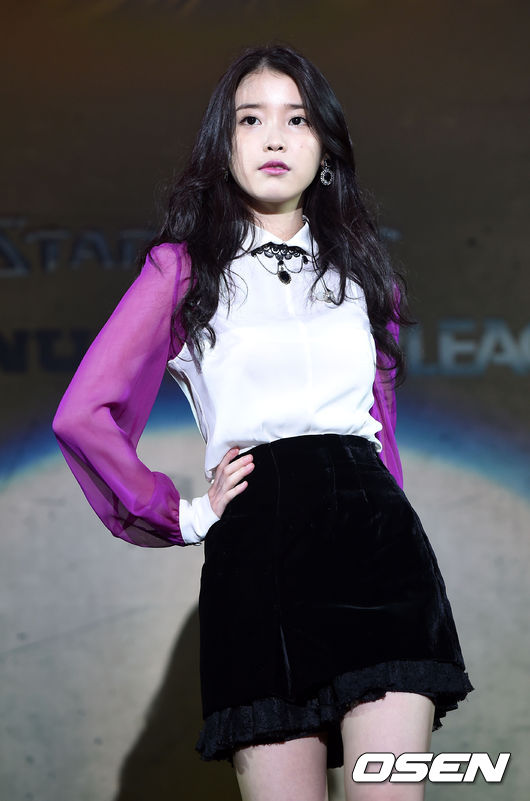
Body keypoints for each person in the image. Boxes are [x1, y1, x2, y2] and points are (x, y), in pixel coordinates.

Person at [52, 44, 473, 801]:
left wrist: (390, 516)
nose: (274, 138)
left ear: (326, 149)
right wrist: (182, 514)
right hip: (259, 557)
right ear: (224, 144)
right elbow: (83, 414)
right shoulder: (183, 271)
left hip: (378, 551)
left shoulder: (366, 275)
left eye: (297, 120)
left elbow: (382, 433)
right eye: (251, 119)